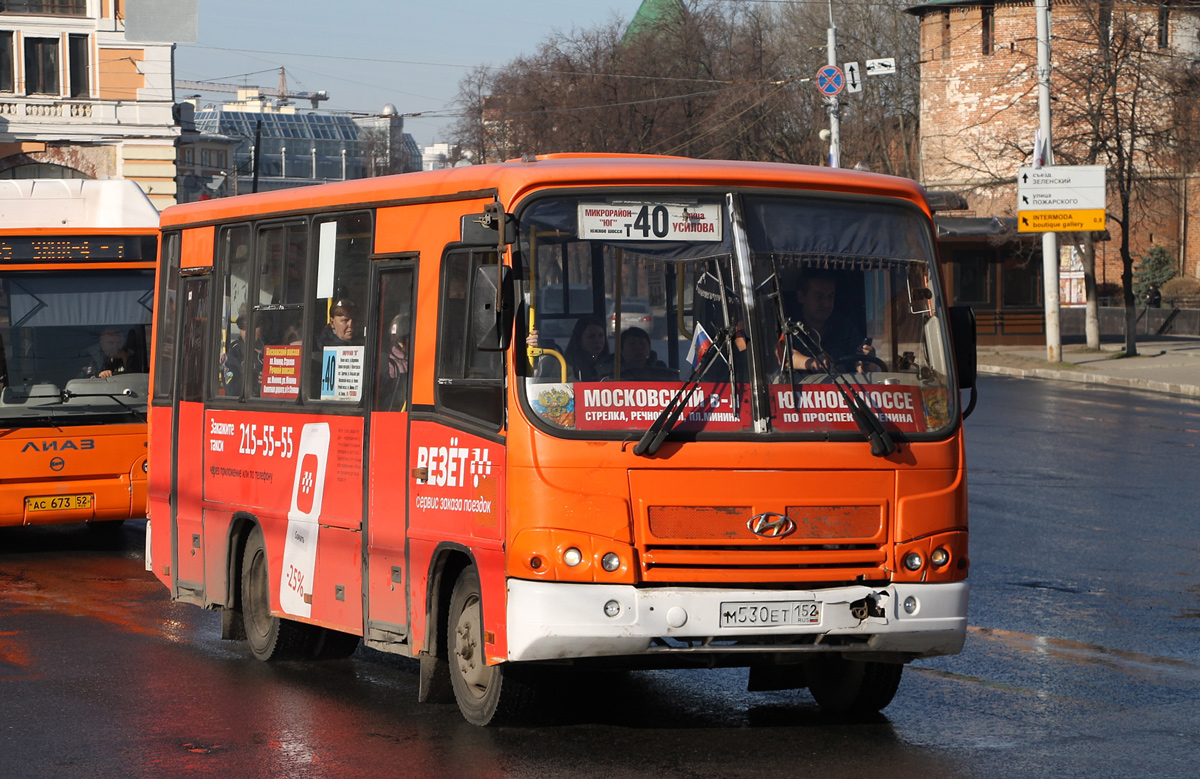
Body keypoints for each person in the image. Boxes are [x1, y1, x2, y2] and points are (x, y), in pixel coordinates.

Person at [782, 269, 879, 372]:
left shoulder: (844, 327)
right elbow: (784, 356)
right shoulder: (789, 327)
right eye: (819, 297)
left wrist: (867, 361)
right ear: (801, 297)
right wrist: (812, 362)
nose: (827, 304)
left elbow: (859, 366)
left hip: (843, 387)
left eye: (830, 296)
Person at [527, 314, 611, 382]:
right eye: (591, 336)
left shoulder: (611, 363)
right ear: (579, 339)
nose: (597, 340)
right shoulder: (566, 365)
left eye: (601, 336)